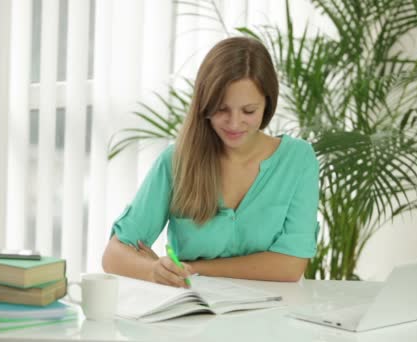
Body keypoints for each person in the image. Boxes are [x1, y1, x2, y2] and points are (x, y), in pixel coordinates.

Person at [102, 36, 319, 288]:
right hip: (192, 316)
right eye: (221, 109)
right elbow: (113, 256)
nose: (234, 123)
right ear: (205, 105)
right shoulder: (177, 162)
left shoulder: (298, 160)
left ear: (267, 105)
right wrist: (154, 270)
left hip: (274, 319)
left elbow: (290, 266)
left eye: (248, 111)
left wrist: (193, 268)